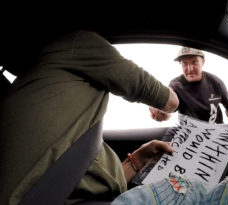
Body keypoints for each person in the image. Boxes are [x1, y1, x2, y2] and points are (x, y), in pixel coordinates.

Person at [0, 30, 179, 204]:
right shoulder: (76, 42)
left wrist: (139, 159)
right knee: (194, 191)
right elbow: (168, 100)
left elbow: (74, 183)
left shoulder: (43, 94)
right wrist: (166, 105)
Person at [149, 47, 228, 124]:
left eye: (194, 62)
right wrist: (162, 114)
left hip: (217, 133)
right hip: (190, 136)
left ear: (203, 62)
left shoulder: (215, 82)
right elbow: (169, 111)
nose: (190, 69)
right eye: (185, 64)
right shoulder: (175, 86)